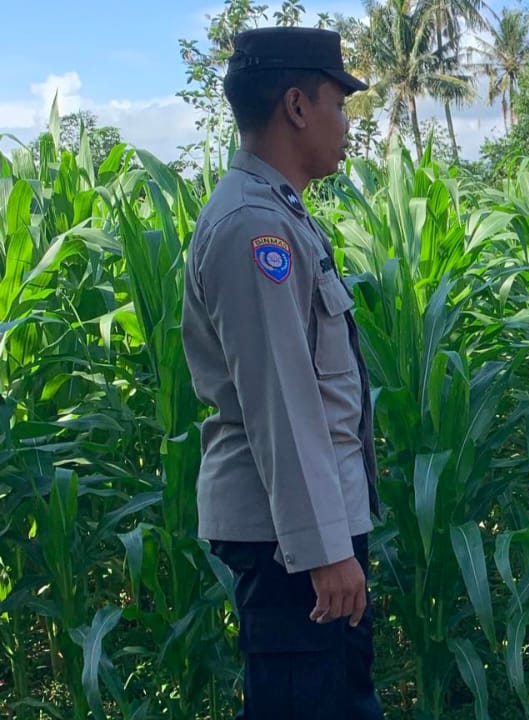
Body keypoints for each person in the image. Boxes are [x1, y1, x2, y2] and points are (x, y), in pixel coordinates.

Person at [180, 26, 382, 720]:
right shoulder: (252, 230)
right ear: (297, 106)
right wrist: (324, 552)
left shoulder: (279, 216)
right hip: (291, 544)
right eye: (339, 103)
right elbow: (282, 404)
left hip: (301, 531)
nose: (346, 123)